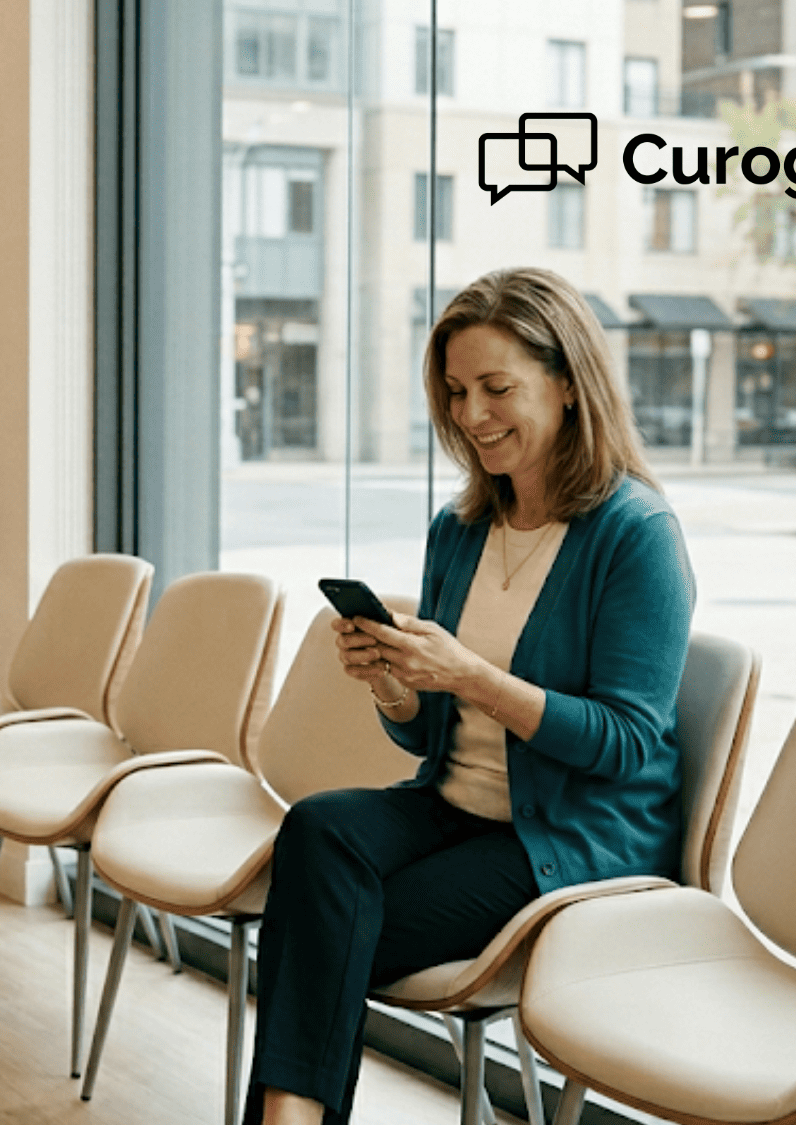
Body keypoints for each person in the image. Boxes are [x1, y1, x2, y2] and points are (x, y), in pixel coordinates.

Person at [245, 267, 696, 1125]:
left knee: (318, 927)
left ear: (568, 384)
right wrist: (396, 685)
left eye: (498, 388)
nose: (472, 415)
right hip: (456, 809)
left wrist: (473, 677)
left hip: (573, 839)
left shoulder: (636, 535)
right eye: (456, 392)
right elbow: (430, 742)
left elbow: (628, 741)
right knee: (316, 830)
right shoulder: (457, 532)